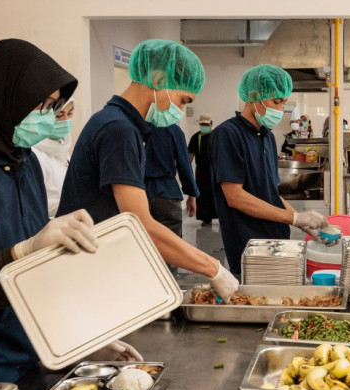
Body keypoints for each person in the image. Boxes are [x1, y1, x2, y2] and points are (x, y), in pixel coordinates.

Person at [0, 39, 140, 383]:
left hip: (25, 360)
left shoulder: (21, 160)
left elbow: (36, 278)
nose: (50, 117)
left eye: (56, 106)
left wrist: (78, 337)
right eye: (43, 106)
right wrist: (21, 253)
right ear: (2, 96)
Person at [57, 39, 238, 300]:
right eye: (183, 100)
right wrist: (213, 269)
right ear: (157, 78)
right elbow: (141, 223)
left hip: (97, 263)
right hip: (85, 269)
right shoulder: (118, 129)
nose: (181, 110)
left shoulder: (124, 124)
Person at [209, 64, 330, 275]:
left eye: (283, 102)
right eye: (276, 101)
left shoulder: (267, 136)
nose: (280, 109)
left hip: (277, 240)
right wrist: (293, 219)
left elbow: (270, 195)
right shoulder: (228, 134)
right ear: (254, 95)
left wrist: (302, 222)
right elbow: (235, 197)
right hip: (249, 246)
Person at [144, 122, 199, 239]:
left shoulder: (135, 127)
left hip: (139, 193)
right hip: (168, 194)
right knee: (171, 245)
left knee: (141, 243)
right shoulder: (173, 130)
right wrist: (192, 194)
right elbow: (184, 164)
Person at [33, 98, 75, 218]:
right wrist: (76, 202)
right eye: (59, 115)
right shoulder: (34, 154)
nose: (66, 120)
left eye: (70, 113)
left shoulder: (61, 148)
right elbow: (35, 205)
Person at [188, 114, 218, 226]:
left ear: (211, 124)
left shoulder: (217, 136)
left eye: (206, 124)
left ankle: (221, 216)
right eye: (202, 124)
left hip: (215, 169)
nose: (204, 126)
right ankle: (206, 218)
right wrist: (187, 167)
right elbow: (190, 155)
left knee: (216, 194)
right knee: (203, 194)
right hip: (201, 171)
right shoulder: (195, 137)